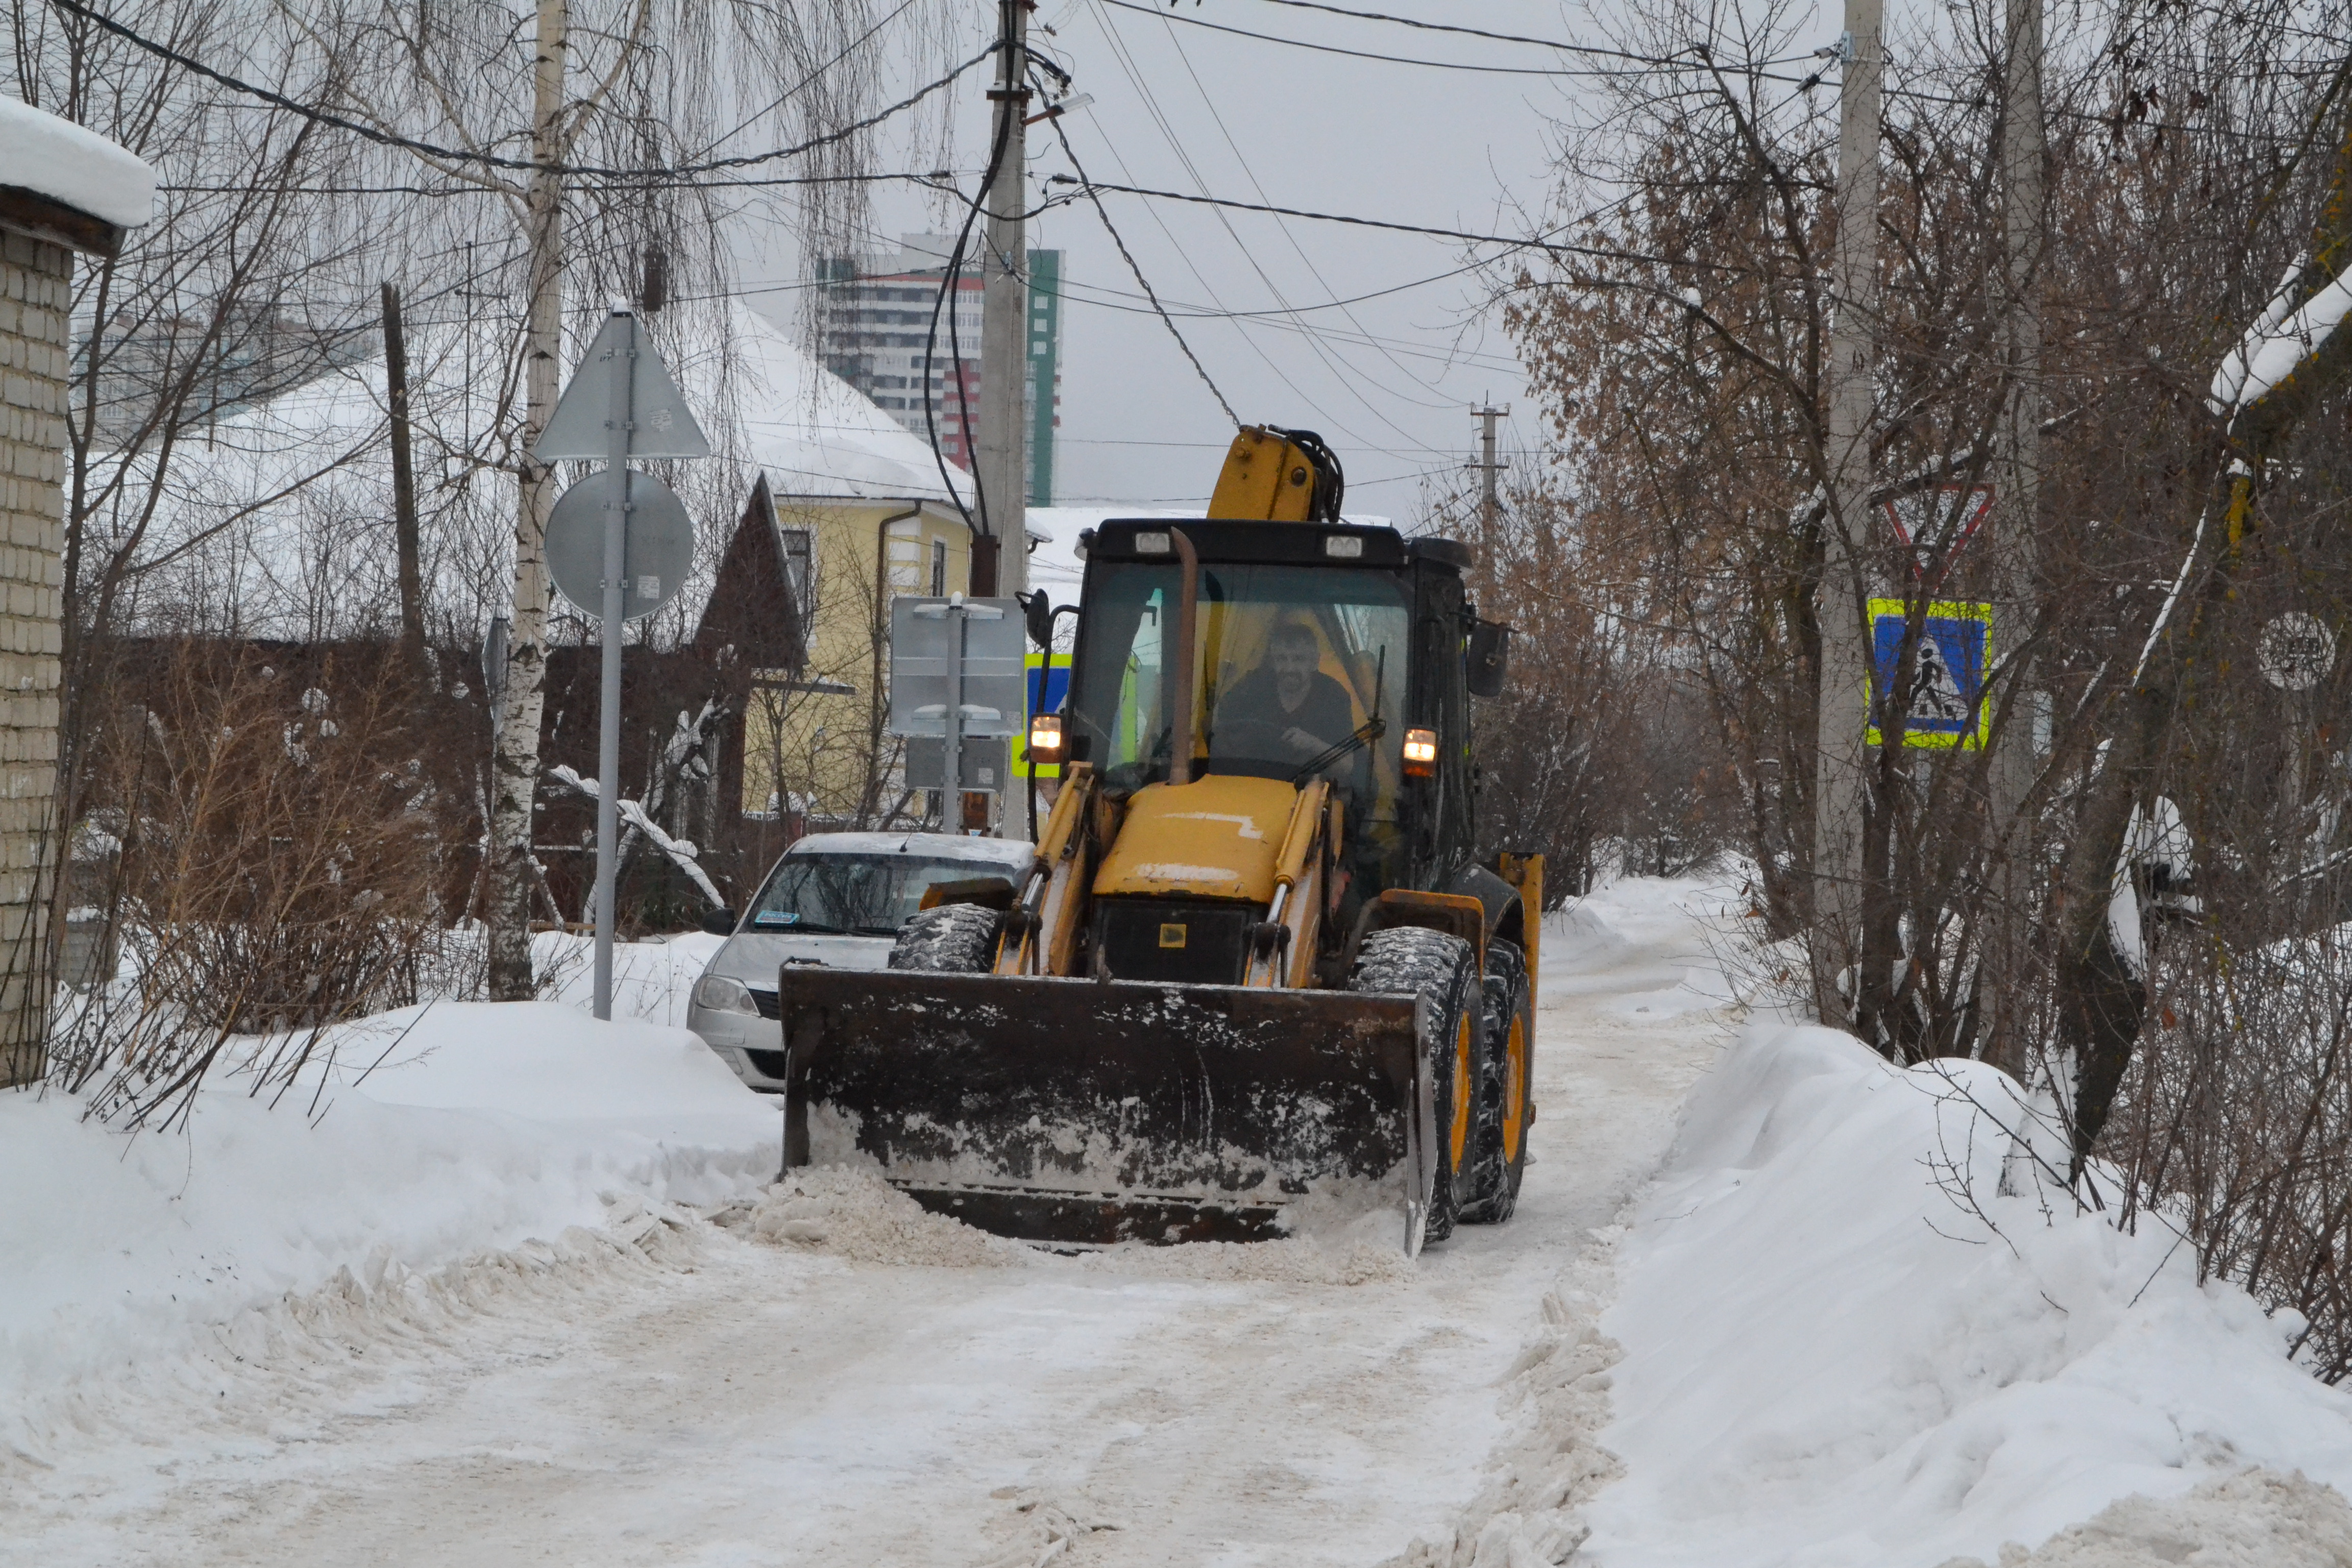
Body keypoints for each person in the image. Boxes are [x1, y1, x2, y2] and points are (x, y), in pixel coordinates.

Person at [1215, 619, 1357, 767]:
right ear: (1273, 661)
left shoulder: (1333, 696)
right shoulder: (1253, 686)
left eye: (1299, 659)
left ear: (1315, 662)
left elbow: (1346, 765)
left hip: (1307, 786)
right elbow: (1213, 727)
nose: (1290, 668)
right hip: (1250, 780)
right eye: (1282, 659)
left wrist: (1312, 744)